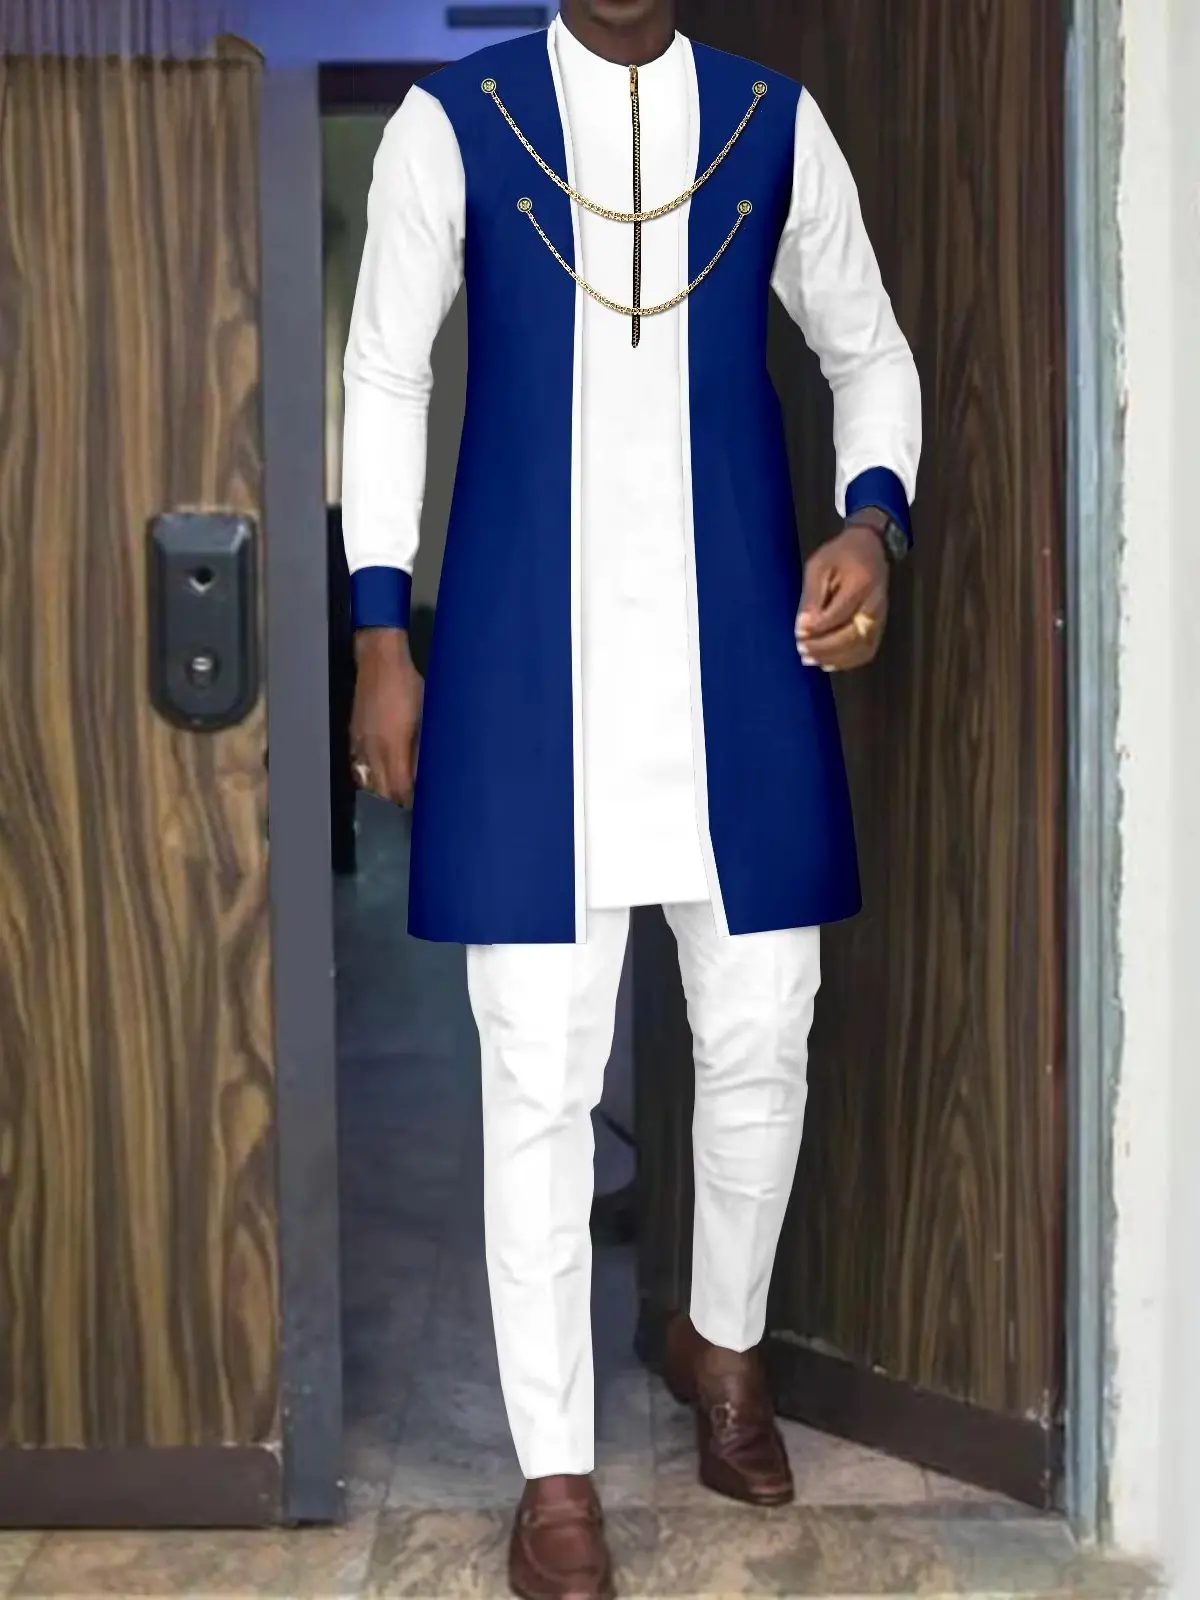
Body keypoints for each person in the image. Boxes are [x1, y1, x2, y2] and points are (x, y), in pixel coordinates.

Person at [341, 0, 921, 1592]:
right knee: (538, 1073)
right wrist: (380, 636)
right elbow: (384, 369)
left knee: (766, 1026)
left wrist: (871, 525)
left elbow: (869, 349)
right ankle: (555, 1474)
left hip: (742, 665)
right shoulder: (452, 124)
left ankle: (719, 1345)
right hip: (528, 676)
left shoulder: (772, 125)